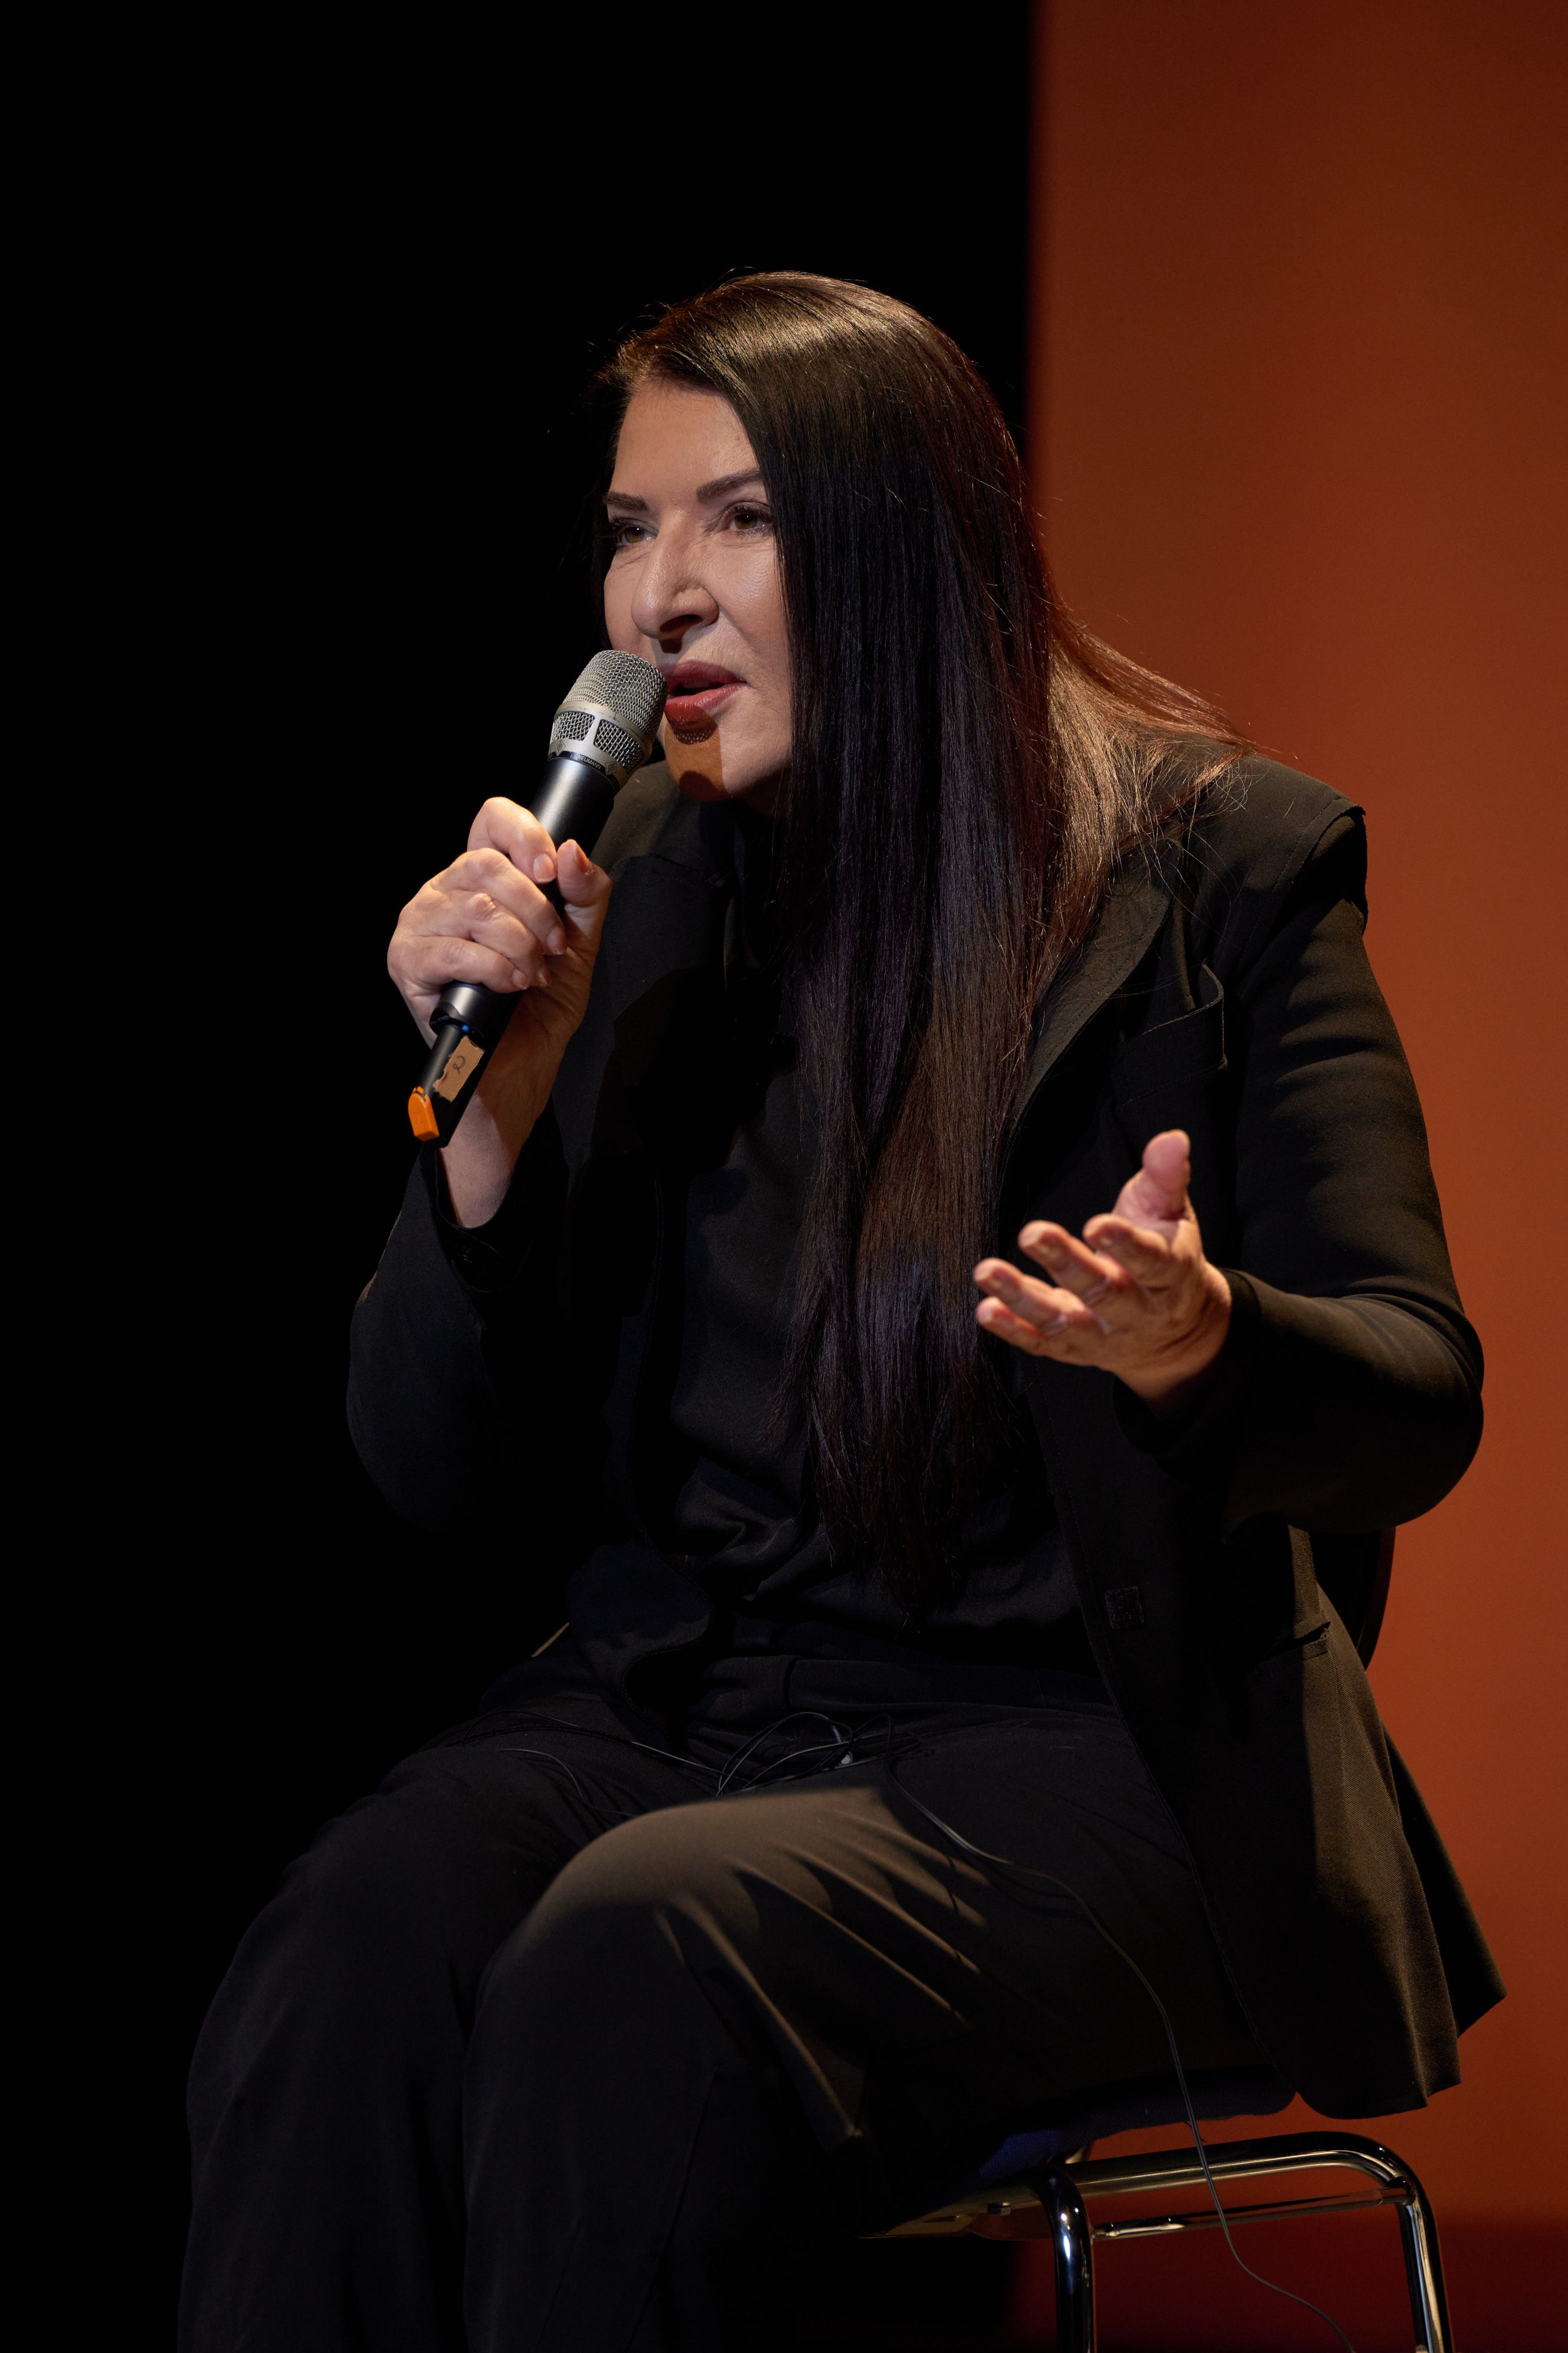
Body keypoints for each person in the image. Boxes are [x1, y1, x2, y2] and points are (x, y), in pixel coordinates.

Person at [181, 274, 1501, 2352]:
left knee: (637, 1957)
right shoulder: (634, 890)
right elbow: (427, 1473)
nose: (660, 598)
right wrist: (491, 1127)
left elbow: (1414, 1396)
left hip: (1107, 1755)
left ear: (910, 546)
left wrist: (1198, 1342)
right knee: (354, 1944)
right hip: (688, 1709)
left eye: (742, 520)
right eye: (631, 530)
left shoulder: (1214, 875)